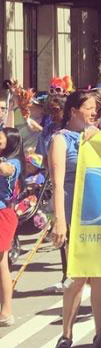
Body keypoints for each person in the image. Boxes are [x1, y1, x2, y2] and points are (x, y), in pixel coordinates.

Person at [49, 91, 101, 348]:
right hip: (73, 213)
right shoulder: (60, 140)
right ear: (73, 110)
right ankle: (66, 334)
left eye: (96, 108)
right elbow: (57, 184)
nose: (93, 112)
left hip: (98, 212)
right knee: (76, 275)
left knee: (98, 274)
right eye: (88, 107)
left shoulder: (97, 133)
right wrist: (60, 221)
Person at [0, 127, 22, 326]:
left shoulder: (13, 163)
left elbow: (6, 170)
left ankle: (7, 311)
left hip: (2, 215)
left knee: (1, 263)